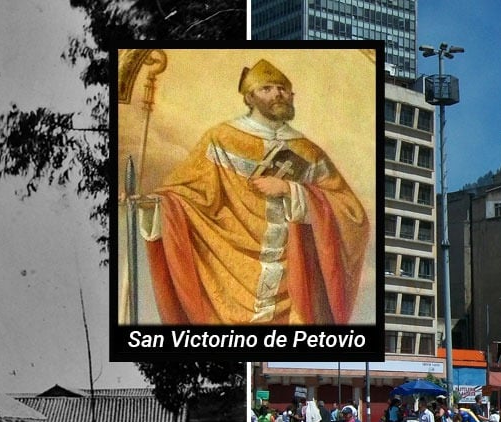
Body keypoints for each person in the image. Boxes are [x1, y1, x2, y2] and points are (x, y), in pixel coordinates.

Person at [141, 59, 370, 325]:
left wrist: (292, 190)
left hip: (292, 273)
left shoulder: (308, 151)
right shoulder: (222, 138)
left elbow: (351, 213)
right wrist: (155, 204)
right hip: (227, 273)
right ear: (250, 97)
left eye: (283, 89)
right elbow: (187, 194)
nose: (278, 94)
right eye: (268, 88)